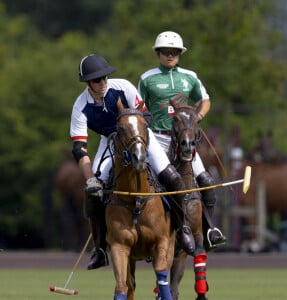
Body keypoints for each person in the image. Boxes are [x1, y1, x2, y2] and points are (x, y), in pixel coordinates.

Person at [70, 54, 195, 270]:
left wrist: (134, 135)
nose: (102, 83)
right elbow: (79, 148)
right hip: (109, 142)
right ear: (87, 83)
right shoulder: (81, 107)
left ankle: (182, 228)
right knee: (93, 193)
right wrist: (90, 179)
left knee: (173, 179)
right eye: (96, 80)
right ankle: (100, 248)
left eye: (104, 78)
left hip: (139, 136)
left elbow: (146, 116)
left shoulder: (123, 87)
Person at [138, 31, 226, 249]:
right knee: (146, 182)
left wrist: (197, 117)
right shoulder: (147, 78)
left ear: (180, 54)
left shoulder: (189, 76)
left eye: (175, 52)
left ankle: (208, 230)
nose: (170, 56)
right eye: (166, 52)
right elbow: (138, 105)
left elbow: (204, 100)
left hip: (183, 140)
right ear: (158, 53)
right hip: (157, 139)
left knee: (205, 181)